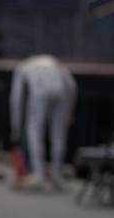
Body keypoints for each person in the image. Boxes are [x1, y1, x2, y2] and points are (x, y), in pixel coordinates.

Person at [9, 54, 77, 190]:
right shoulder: (52, 60)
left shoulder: (23, 66)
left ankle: (39, 175)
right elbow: (71, 84)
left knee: (34, 133)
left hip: (39, 91)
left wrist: (15, 126)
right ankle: (56, 175)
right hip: (61, 92)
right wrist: (70, 108)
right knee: (59, 135)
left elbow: (16, 98)